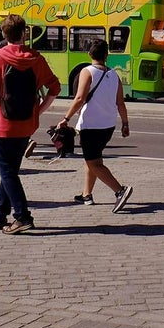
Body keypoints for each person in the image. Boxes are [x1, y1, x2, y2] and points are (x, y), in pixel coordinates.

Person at [0, 14, 61, 234]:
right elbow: (54, 88)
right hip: (26, 124)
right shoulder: (36, 59)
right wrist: (39, 110)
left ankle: (22, 216)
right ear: (24, 34)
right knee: (10, 170)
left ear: (4, 35)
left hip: (2, 124)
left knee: (7, 172)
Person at [58, 39, 134, 211]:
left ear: (89, 54)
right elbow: (120, 103)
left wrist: (66, 118)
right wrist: (125, 123)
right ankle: (87, 195)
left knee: (93, 162)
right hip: (108, 126)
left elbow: (79, 98)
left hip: (91, 126)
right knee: (92, 159)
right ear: (107, 55)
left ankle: (120, 190)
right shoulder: (114, 75)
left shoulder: (87, 72)